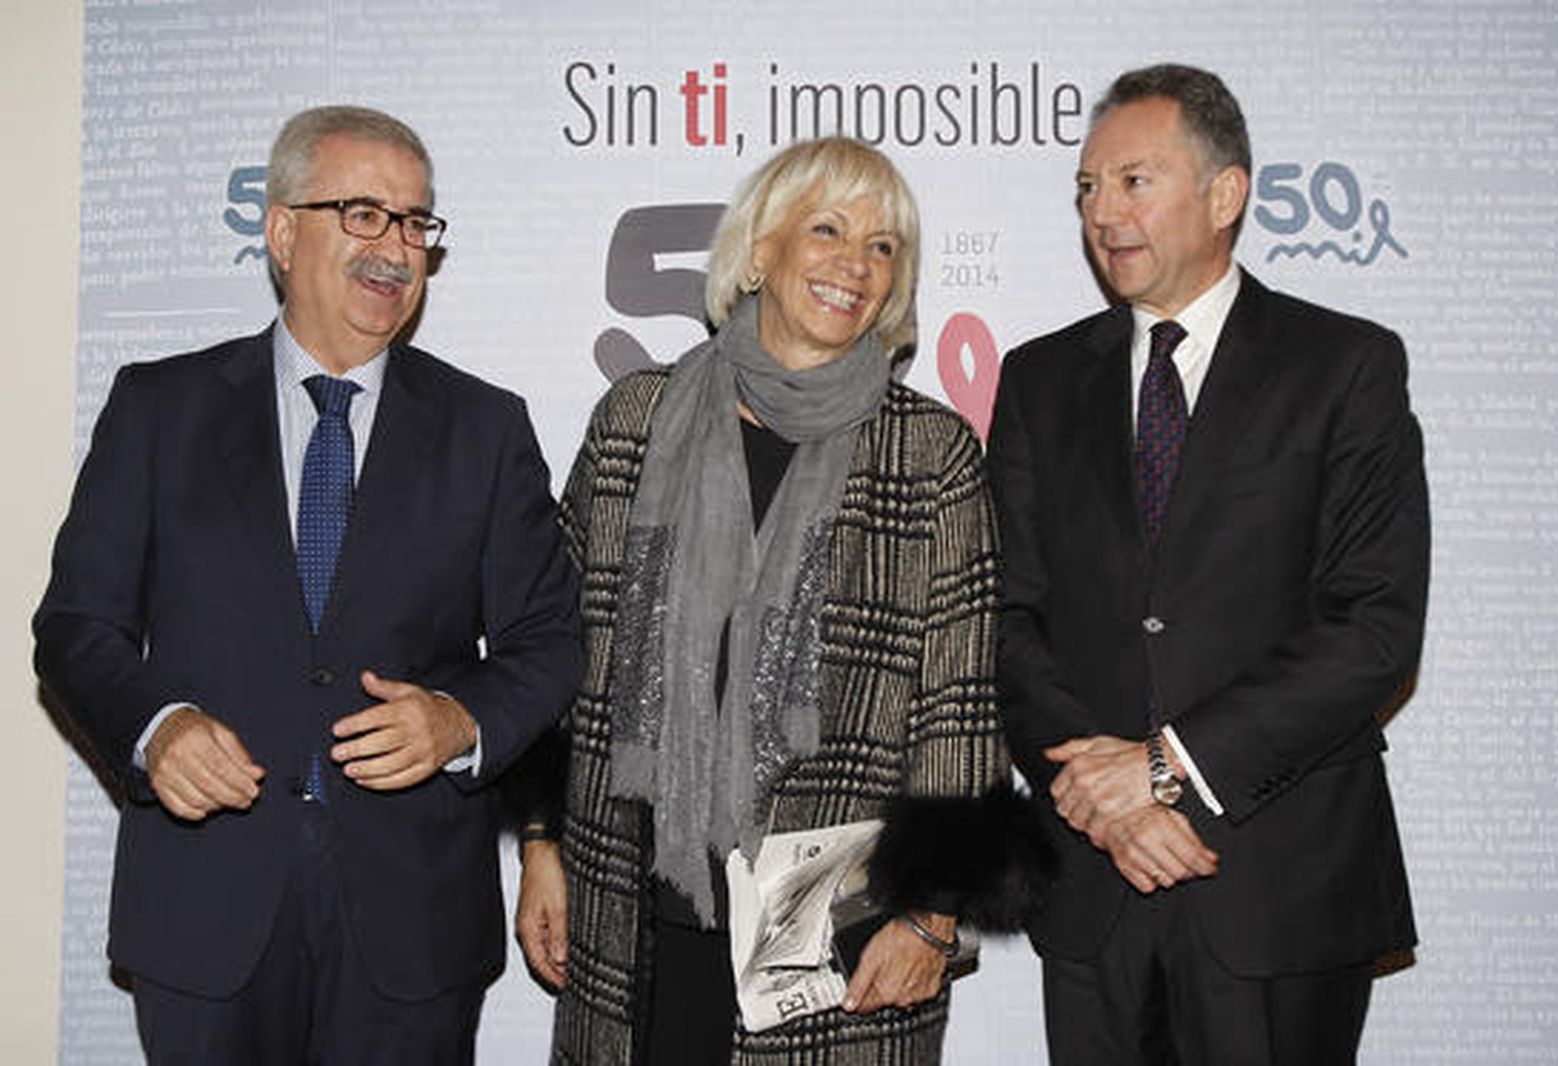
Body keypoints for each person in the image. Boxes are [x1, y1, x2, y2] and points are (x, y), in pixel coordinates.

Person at [34, 105, 582, 1064]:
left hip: (412, 926)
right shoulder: (159, 409)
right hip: (206, 915)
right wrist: (157, 728)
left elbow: (550, 643)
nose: (396, 248)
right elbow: (77, 628)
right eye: (363, 214)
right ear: (284, 233)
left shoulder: (486, 430)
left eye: (415, 222)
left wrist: (460, 719)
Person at [512, 136, 1038, 1065]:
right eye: (828, 229)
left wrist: (932, 913)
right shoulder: (635, 419)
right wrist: (542, 840)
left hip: (840, 943)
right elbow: (561, 646)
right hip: (629, 915)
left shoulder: (930, 453)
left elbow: (960, 704)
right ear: (759, 251)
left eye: (883, 246)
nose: (856, 264)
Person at [988, 64, 1429, 1065]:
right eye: (1088, 188)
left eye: (1133, 182)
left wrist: (1162, 767)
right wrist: (1103, 804)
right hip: (1094, 886)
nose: (1103, 213)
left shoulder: (1345, 366)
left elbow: (1372, 630)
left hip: (1278, 885)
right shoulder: (1040, 378)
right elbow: (1007, 621)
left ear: (1225, 194)